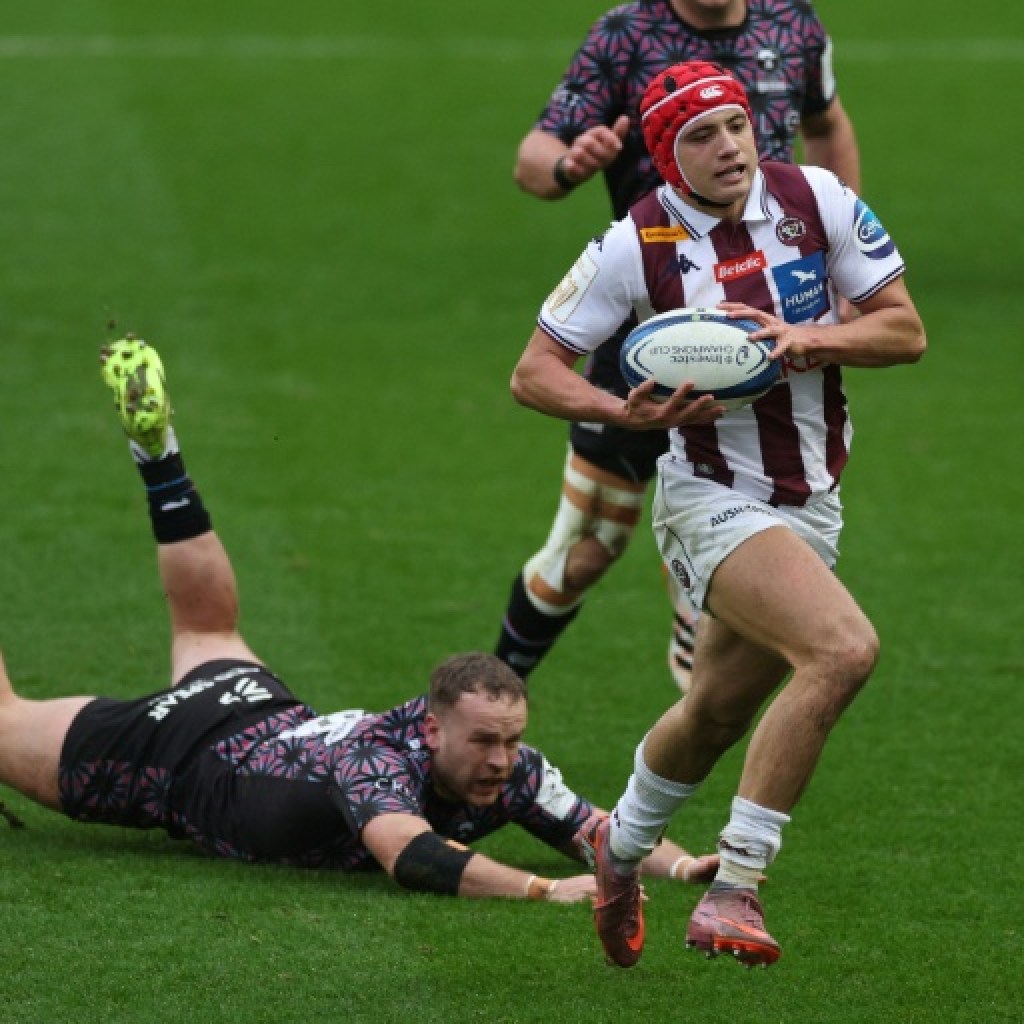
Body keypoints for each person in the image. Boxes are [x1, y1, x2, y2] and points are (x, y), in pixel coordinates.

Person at [0, 337, 720, 903]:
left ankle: (159, 456)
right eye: (485, 741)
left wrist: (683, 866)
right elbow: (411, 854)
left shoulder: (507, 768)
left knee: (208, 630)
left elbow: (597, 830)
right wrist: (542, 888)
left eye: (510, 740)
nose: (502, 760)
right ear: (432, 730)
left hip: (258, 707)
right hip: (174, 755)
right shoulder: (378, 759)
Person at [508, 61, 925, 965]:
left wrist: (811, 337)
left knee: (712, 715)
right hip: (708, 497)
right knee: (842, 651)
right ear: (669, 157)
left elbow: (905, 330)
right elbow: (532, 373)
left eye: (736, 123)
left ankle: (617, 852)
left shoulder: (816, 198)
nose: (730, 145)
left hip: (811, 501)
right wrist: (623, 413)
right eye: (702, 136)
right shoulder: (634, 243)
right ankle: (735, 887)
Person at [496, 0, 861, 692]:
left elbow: (827, 127)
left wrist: (841, 261)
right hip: (647, 342)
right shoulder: (626, 33)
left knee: (737, 575)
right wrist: (570, 165)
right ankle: (492, 702)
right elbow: (533, 161)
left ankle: (695, 675)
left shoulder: (792, 23)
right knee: (587, 549)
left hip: (765, 343)